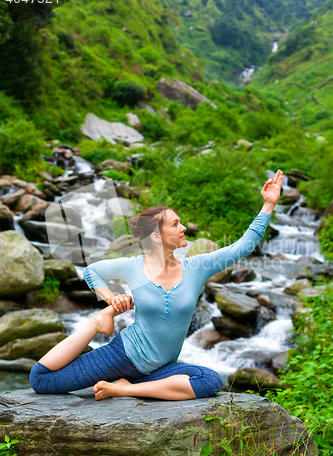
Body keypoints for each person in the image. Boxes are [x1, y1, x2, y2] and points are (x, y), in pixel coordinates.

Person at [29, 170, 283, 401]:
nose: (183, 228)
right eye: (175, 224)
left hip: (159, 368)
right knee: (41, 380)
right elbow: (92, 271)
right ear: (155, 236)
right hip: (123, 356)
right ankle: (97, 323)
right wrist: (109, 300)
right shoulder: (133, 266)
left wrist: (268, 204)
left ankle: (122, 388)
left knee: (211, 380)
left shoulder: (197, 267)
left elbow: (243, 246)